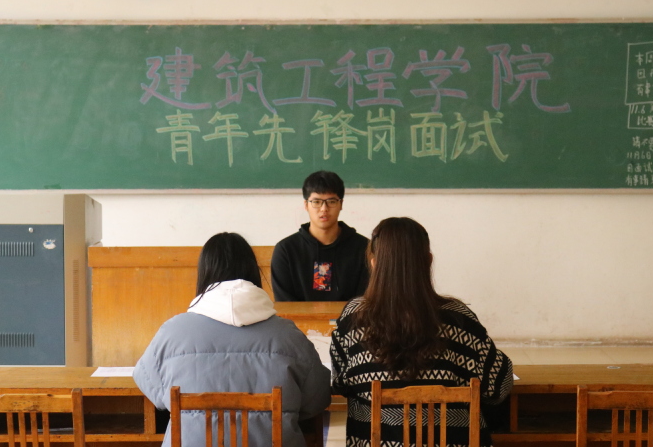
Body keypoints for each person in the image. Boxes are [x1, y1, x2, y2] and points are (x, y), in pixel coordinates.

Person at [133, 232, 331, 447]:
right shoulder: (288, 335)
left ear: (204, 273)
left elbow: (153, 389)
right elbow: (317, 399)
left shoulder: (172, 332)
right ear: (253, 272)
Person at [330, 217, 513, 447]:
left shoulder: (353, 320)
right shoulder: (460, 320)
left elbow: (340, 384)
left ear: (374, 263)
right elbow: (499, 386)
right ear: (428, 261)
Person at [271, 170, 369, 301]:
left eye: (331, 201)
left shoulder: (364, 248)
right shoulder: (286, 250)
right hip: (299, 316)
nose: (324, 209)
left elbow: (364, 302)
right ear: (306, 205)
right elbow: (285, 304)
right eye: (316, 202)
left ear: (341, 204)